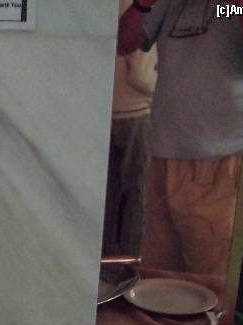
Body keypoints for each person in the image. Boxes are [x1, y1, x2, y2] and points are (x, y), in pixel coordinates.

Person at [117, 0, 243, 278]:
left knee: (210, 284)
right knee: (158, 281)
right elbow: (121, 43)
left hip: (221, 162)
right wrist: (143, 3)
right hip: (163, 157)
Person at [103, 0, 157, 257]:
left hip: (105, 110)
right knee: (138, 198)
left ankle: (103, 265)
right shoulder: (141, 5)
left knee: (108, 199)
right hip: (136, 112)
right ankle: (131, 265)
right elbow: (142, 75)